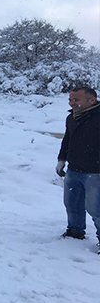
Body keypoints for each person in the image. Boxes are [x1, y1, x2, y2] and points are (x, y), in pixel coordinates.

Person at [56, 86, 100, 254]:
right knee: (72, 203)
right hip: (74, 169)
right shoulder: (72, 118)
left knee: (96, 208)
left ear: (91, 100)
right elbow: (67, 140)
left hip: (96, 172)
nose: (72, 103)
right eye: (70, 100)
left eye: (76, 100)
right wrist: (61, 160)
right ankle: (75, 231)